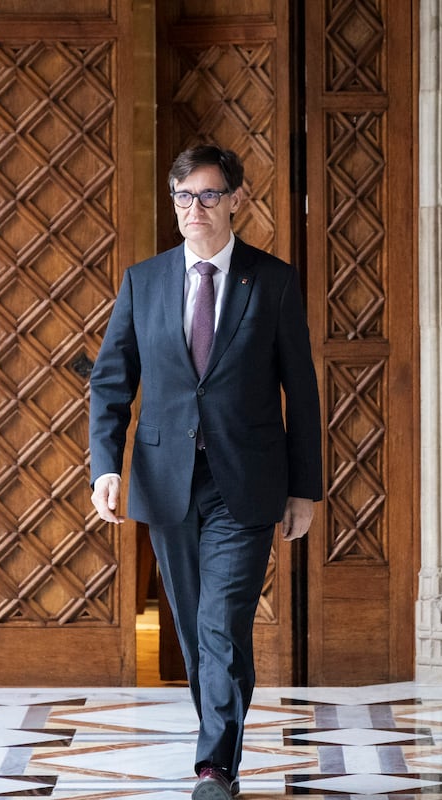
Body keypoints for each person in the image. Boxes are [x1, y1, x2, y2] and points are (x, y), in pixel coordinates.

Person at [88, 144, 323, 800]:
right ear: (174, 204)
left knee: (223, 620)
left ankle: (214, 767)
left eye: (210, 195)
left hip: (243, 484)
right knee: (195, 629)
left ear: (237, 200)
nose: (196, 209)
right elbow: (111, 380)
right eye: (184, 197)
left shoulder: (271, 282)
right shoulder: (144, 281)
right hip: (166, 482)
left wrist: (305, 487)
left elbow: (299, 390)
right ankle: (219, 734)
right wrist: (105, 466)